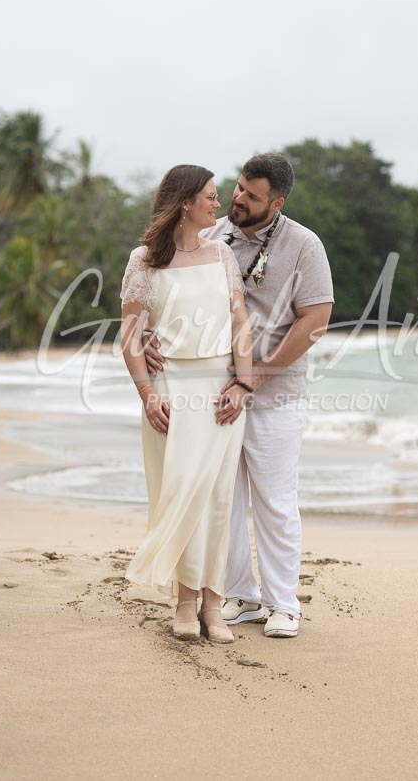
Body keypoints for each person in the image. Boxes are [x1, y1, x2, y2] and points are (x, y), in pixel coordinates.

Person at [144, 154, 333, 638]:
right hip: (211, 396)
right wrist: (147, 335)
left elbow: (315, 321)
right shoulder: (212, 234)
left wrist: (254, 380)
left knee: (274, 501)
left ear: (278, 202)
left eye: (252, 194)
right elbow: (165, 292)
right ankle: (241, 596)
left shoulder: (303, 245)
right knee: (220, 501)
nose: (238, 198)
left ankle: (283, 603)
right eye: (238, 188)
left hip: (275, 393)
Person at [120, 164, 253, 644]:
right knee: (180, 493)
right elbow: (130, 334)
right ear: (184, 203)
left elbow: (240, 322)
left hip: (220, 392)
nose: (218, 204)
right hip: (171, 391)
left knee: (217, 498)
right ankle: (183, 601)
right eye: (210, 197)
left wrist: (243, 385)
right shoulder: (144, 260)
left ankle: (213, 605)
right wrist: (147, 394)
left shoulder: (221, 254)